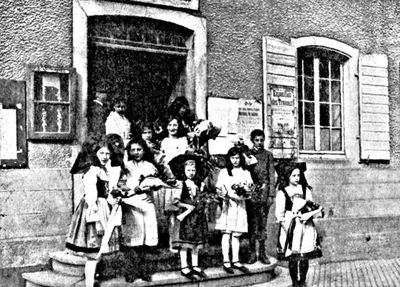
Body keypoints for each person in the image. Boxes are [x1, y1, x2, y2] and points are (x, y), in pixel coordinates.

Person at [66, 134, 118, 255]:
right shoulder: (93, 170)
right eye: (101, 153)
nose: (105, 157)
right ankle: (92, 257)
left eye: (107, 154)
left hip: (104, 204)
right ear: (95, 154)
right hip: (94, 204)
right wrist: (93, 207)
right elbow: (91, 191)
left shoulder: (105, 170)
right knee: (94, 232)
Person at [119, 137, 160, 283]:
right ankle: (131, 271)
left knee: (145, 239)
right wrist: (127, 191)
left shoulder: (149, 165)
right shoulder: (125, 166)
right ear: (129, 151)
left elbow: (156, 182)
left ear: (144, 150)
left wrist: (152, 188)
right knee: (133, 239)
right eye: (133, 150)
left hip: (146, 203)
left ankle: (144, 271)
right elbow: (121, 184)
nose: (136, 152)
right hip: (131, 204)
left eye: (139, 149)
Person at [275, 162, 323, 287]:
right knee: (293, 256)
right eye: (293, 176)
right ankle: (295, 283)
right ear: (287, 177)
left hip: (305, 224)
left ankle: (302, 281)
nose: (297, 178)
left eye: (298, 175)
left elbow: (310, 205)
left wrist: (309, 213)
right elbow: (280, 214)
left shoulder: (305, 190)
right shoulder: (283, 192)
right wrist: (287, 227)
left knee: (304, 255)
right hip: (290, 225)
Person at [215, 147, 253, 274]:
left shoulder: (245, 172)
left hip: (240, 205)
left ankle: (236, 260)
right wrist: (225, 194)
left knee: (236, 234)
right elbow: (219, 188)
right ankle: (226, 261)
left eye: (237, 158)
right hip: (228, 205)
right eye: (232, 158)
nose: (235, 161)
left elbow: (249, 188)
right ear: (229, 159)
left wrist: (246, 193)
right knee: (227, 233)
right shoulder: (224, 172)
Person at [171, 155, 209, 281]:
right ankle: (184, 266)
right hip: (186, 218)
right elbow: (175, 202)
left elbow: (204, 197)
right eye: (188, 170)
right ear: (184, 171)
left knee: (195, 243)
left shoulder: (200, 184)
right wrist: (187, 206)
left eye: (193, 170)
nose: (191, 173)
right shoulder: (181, 184)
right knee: (185, 243)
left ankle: (195, 265)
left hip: (197, 217)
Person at [160, 116, 190, 252]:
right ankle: (172, 242)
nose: (172, 128)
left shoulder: (184, 141)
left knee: (184, 211)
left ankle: (185, 241)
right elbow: (163, 162)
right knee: (172, 213)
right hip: (170, 179)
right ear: (166, 127)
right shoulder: (164, 142)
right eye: (170, 125)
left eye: (175, 125)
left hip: (182, 179)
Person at [246, 129, 275, 264]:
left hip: (264, 192)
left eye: (261, 140)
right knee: (252, 223)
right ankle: (252, 252)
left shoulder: (268, 155)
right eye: (256, 140)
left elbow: (271, 175)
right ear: (252, 141)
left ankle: (262, 253)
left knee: (262, 223)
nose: (259, 142)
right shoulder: (248, 154)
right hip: (252, 192)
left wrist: (271, 195)